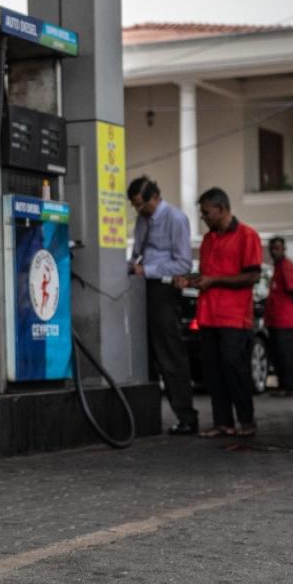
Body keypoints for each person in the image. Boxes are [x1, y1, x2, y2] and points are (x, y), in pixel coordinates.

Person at [178, 188, 262, 438]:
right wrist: (188, 280)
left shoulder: (247, 236)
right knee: (213, 371)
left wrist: (213, 281)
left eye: (206, 212)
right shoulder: (208, 240)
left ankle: (246, 420)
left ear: (222, 209)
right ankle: (222, 422)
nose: (203, 217)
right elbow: (205, 276)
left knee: (234, 367)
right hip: (209, 316)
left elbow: (252, 276)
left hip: (235, 317)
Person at [127, 176, 198, 435]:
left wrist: (147, 270)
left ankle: (186, 415)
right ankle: (149, 416)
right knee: (147, 355)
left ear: (154, 198)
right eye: (135, 206)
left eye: (141, 204)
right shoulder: (142, 220)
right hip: (141, 286)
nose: (139, 210)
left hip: (164, 288)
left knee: (170, 354)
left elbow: (183, 263)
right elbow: (138, 252)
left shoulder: (175, 219)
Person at [264, 236, 293, 397]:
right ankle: (283, 385)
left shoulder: (286, 267)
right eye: (272, 249)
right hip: (277, 318)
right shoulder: (278, 267)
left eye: (277, 248)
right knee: (279, 354)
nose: (274, 252)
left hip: (284, 319)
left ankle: (289, 386)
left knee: (285, 354)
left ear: (283, 249)